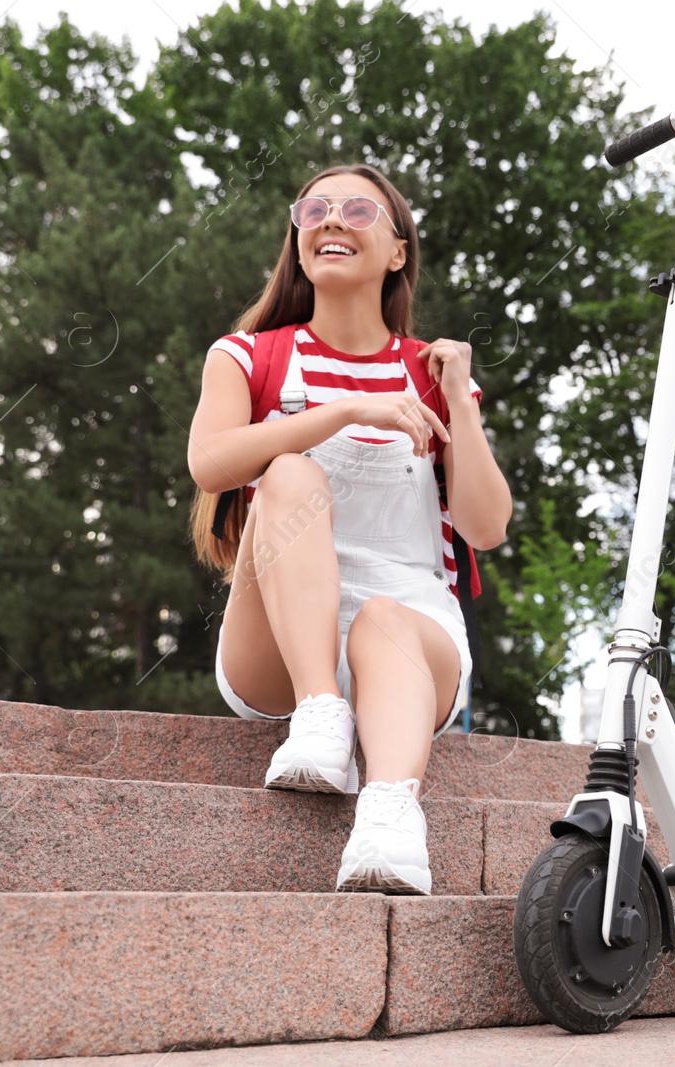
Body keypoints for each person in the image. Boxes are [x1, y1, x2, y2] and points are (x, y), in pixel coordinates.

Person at [185, 163, 511, 894]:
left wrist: (458, 396)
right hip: (279, 649)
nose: (332, 219)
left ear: (398, 251)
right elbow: (210, 464)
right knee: (291, 474)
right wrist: (342, 412)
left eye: (358, 209)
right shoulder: (246, 356)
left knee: (383, 621)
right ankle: (322, 712)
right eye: (315, 209)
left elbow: (486, 525)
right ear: (298, 240)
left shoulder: (432, 375)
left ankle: (390, 819)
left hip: (411, 640)